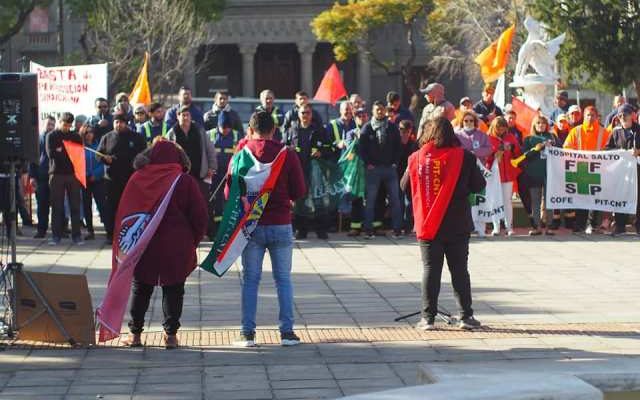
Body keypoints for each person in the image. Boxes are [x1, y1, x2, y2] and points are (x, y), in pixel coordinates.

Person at [402, 117, 485, 331]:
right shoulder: (465, 157)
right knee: (459, 270)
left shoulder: (417, 158)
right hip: (457, 223)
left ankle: (427, 318)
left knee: (431, 270)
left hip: (429, 224)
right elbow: (479, 184)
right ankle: (466, 316)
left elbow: (404, 186)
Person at [124, 141, 208, 349]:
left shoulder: (138, 179)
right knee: (174, 288)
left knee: (141, 288)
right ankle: (170, 336)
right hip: (177, 244)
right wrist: (192, 241)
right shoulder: (185, 181)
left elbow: (126, 212)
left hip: (145, 245)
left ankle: (135, 334)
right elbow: (200, 217)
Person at [234, 111, 306, 347]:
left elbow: (229, 192)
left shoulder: (242, 153)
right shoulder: (287, 154)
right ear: (274, 129)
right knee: (283, 279)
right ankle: (287, 333)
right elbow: (299, 190)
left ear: (251, 129)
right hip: (281, 223)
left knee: (251, 280)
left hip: (252, 226)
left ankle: (247, 334)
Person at [97, 112, 147, 244]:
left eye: (121, 122)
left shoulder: (136, 137)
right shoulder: (107, 137)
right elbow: (98, 154)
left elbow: (143, 155)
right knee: (111, 207)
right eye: (116, 122)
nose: (119, 125)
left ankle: (130, 233)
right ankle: (111, 234)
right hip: (111, 179)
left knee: (130, 207)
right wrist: (105, 158)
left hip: (130, 179)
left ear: (127, 123)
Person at [286, 103, 333, 239]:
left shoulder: (319, 130)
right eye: (302, 113)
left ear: (311, 115)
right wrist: (290, 151)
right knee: (300, 200)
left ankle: (321, 230)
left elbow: (329, 148)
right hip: (298, 169)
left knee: (318, 199)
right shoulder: (292, 130)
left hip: (315, 170)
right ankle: (301, 230)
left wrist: (321, 152)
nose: (305, 115)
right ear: (298, 114)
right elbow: (284, 146)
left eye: (307, 113)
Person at [563, 105, 610, 234]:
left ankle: (592, 224)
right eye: (588, 115)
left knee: (595, 197)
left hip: (597, 169)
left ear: (597, 117)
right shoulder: (576, 131)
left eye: (592, 115)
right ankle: (580, 224)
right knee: (580, 197)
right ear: (584, 116)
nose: (590, 118)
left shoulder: (603, 132)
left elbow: (610, 149)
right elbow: (566, 147)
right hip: (581, 169)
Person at [359, 101, 403, 239]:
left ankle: (397, 230)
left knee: (395, 200)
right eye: (377, 109)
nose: (379, 112)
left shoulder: (392, 127)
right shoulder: (367, 128)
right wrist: (368, 163)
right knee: (370, 200)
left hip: (390, 169)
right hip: (373, 170)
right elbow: (361, 149)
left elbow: (398, 146)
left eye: (382, 109)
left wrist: (395, 163)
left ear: (385, 111)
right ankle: (368, 230)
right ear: (373, 111)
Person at [45, 112, 84, 245]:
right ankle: (56, 235)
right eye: (64, 124)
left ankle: (77, 235)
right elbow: (51, 154)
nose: (66, 127)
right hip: (56, 174)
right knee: (57, 207)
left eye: (68, 125)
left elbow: (78, 155)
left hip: (73, 175)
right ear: (59, 122)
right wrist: (66, 153)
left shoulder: (75, 136)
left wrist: (62, 151)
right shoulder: (52, 135)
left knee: (75, 206)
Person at [165, 105, 217, 203]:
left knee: (200, 202)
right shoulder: (172, 133)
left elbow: (210, 149)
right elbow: (166, 154)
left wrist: (211, 167)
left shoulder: (199, 130)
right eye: (183, 115)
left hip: (199, 175)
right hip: (179, 176)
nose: (185, 118)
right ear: (177, 116)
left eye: (187, 115)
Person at [605, 104, 640, 235]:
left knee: (638, 198)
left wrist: (638, 152)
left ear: (632, 115)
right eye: (620, 115)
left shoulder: (639, 130)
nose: (623, 117)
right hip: (621, 172)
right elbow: (607, 149)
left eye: (625, 114)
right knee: (620, 196)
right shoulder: (615, 131)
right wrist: (620, 152)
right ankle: (620, 226)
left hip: (637, 170)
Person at [521, 115, 558, 236]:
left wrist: (552, 147)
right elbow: (524, 156)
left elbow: (561, 152)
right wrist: (536, 149)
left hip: (549, 174)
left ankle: (549, 226)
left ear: (546, 125)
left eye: (543, 123)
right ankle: (536, 226)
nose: (541, 125)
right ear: (534, 125)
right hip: (534, 174)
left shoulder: (552, 137)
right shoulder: (529, 139)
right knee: (535, 201)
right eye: (538, 123)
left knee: (549, 201)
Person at [210, 111, 244, 235]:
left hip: (232, 174)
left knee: (231, 200)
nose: (225, 131)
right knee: (216, 201)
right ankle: (216, 229)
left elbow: (243, 154)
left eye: (227, 128)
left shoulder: (237, 135)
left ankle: (231, 228)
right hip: (215, 174)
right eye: (223, 128)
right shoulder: (210, 135)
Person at [486, 116, 520, 236]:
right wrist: (497, 150)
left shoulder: (510, 137)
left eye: (503, 128)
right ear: (494, 127)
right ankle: (496, 227)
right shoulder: (488, 138)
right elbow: (486, 157)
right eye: (498, 128)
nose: (501, 131)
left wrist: (512, 147)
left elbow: (518, 153)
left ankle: (509, 227)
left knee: (507, 201)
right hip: (494, 175)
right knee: (495, 200)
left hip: (508, 175)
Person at [29, 115, 55, 238]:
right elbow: (33, 160)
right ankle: (41, 230)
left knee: (57, 205)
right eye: (48, 124)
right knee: (42, 205)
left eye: (52, 125)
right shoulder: (37, 139)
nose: (50, 126)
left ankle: (59, 229)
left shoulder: (56, 138)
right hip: (41, 177)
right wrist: (32, 176)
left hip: (55, 176)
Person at [344, 107, 369, 236]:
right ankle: (355, 227)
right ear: (355, 118)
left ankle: (369, 226)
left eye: (364, 115)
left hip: (369, 170)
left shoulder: (372, 131)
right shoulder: (351, 133)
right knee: (356, 199)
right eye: (359, 116)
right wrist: (356, 140)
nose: (362, 118)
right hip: (356, 172)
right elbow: (349, 152)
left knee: (371, 199)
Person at [80, 125, 106, 241]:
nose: (89, 134)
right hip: (84, 180)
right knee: (86, 205)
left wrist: (95, 175)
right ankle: (90, 230)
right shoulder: (80, 147)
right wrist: (85, 174)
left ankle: (108, 228)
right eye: (87, 132)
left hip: (97, 180)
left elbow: (102, 163)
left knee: (102, 204)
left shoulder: (99, 145)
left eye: (91, 132)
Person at [398, 120, 418, 234]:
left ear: (411, 131)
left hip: (410, 175)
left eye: (407, 131)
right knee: (398, 201)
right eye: (402, 130)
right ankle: (398, 225)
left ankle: (408, 226)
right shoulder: (395, 142)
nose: (404, 133)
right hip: (397, 174)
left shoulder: (414, 144)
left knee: (409, 202)